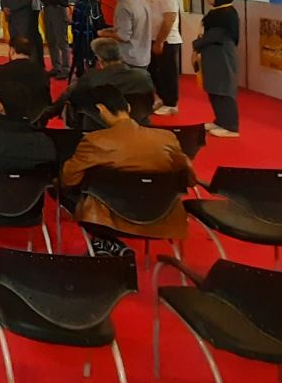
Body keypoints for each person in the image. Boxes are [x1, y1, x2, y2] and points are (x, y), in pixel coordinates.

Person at [60, 85, 194, 256]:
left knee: (66, 190)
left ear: (100, 109)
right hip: (162, 217)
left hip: (108, 222)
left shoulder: (94, 141)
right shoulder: (167, 138)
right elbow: (189, 179)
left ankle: (105, 240)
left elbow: (68, 180)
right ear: (128, 108)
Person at [61, 38, 156, 129]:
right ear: (120, 56)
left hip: (98, 128)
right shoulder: (143, 76)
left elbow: (74, 102)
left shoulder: (91, 78)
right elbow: (152, 103)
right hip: (138, 125)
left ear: (99, 59)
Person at [194, 0, 242, 138]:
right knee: (214, 88)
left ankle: (231, 126)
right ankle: (220, 120)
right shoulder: (215, 13)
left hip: (222, 54)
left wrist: (197, 44)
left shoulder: (227, 14)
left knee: (224, 89)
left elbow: (215, 35)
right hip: (211, 55)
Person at [0, 37, 53, 124]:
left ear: (12, 51)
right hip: (35, 121)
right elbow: (46, 99)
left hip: (5, 121)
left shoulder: (1, 71)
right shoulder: (41, 72)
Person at [142, 0, 182, 114]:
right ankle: (162, 98)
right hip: (152, 38)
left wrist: (160, 41)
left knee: (167, 72)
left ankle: (171, 103)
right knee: (154, 71)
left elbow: (169, 19)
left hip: (167, 40)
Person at [97, 0, 151, 68]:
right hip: (143, 56)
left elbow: (123, 37)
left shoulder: (123, 6)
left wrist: (103, 34)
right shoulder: (142, 1)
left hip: (129, 58)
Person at [36, 0, 72, 78]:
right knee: (51, 40)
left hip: (59, 10)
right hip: (48, 10)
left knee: (62, 41)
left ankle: (66, 68)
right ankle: (56, 66)